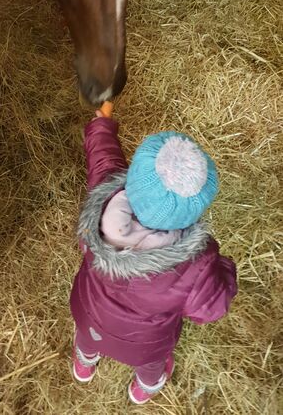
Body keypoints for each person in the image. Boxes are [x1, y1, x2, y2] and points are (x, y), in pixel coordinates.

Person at [70, 106, 237, 405]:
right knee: (151, 363)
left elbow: (103, 159)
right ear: (191, 215)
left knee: (88, 335)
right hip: (143, 346)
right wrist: (222, 267)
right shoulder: (195, 266)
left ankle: (84, 360)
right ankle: (144, 387)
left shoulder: (104, 201)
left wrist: (102, 127)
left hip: (89, 316)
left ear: (132, 179)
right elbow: (211, 308)